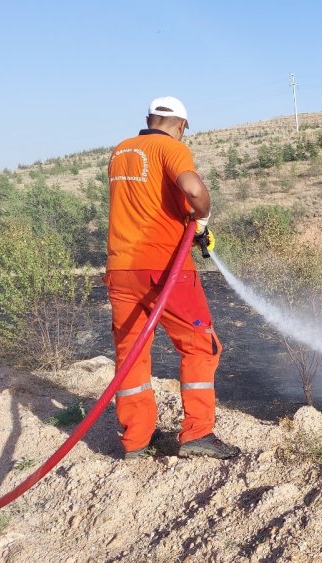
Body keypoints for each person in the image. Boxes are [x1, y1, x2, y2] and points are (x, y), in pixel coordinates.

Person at [105, 96, 239, 460]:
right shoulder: (171, 148)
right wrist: (203, 219)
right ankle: (197, 433)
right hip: (165, 270)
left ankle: (136, 441)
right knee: (201, 345)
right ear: (182, 125)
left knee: (131, 355)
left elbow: (149, 201)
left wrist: (185, 222)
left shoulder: (120, 152)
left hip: (120, 270)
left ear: (148, 118)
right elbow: (193, 190)